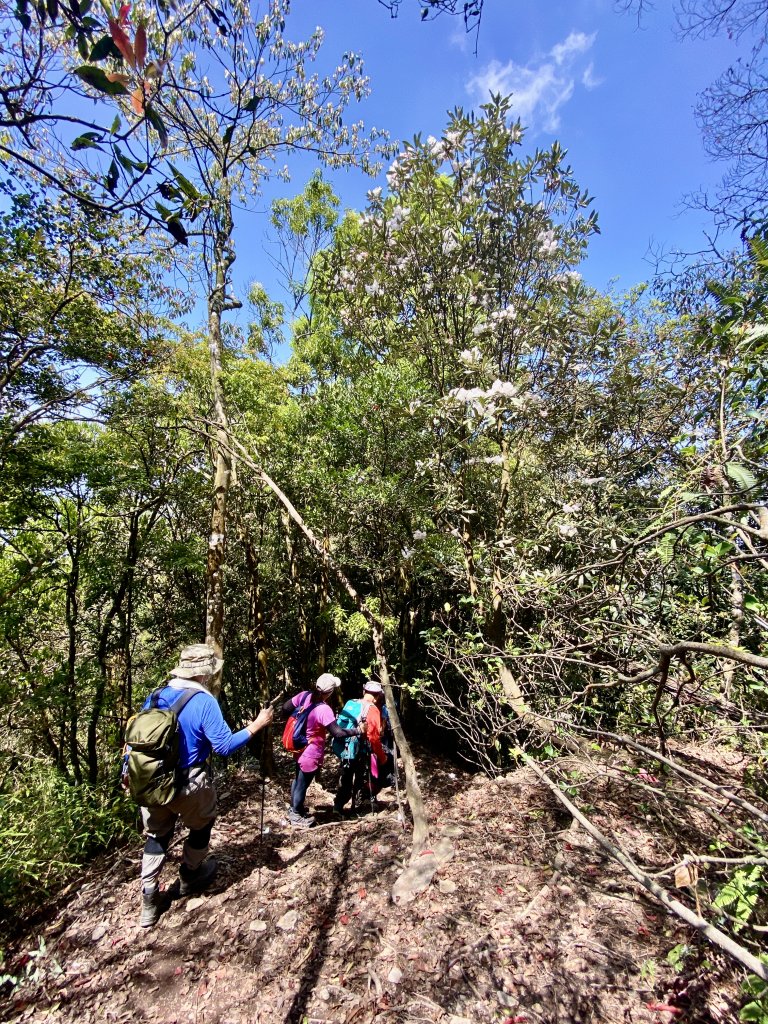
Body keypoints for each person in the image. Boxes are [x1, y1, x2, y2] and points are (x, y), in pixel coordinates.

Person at [138, 643, 274, 928]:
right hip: (190, 783)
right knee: (201, 826)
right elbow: (223, 746)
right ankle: (190, 873)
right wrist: (257, 725)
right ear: (205, 673)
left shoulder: (155, 696)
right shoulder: (204, 701)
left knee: (157, 835)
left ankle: (149, 897)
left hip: (151, 783)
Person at [283, 673, 357, 828]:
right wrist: (357, 731)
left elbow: (285, 708)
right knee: (302, 783)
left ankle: (295, 809)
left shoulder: (304, 696)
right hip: (311, 752)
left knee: (298, 778)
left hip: (299, 746)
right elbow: (337, 732)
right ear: (329, 692)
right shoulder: (324, 709)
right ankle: (295, 815)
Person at [333, 679, 390, 815]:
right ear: (377, 696)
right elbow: (374, 739)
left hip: (347, 748)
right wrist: (382, 759)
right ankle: (355, 810)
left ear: (364, 692)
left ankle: (338, 807)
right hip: (361, 751)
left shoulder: (350, 703)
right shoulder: (373, 710)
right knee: (360, 780)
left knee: (346, 777)